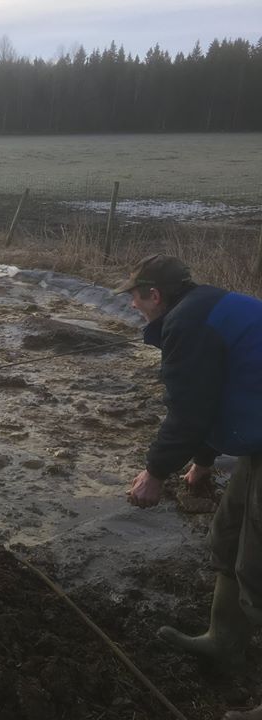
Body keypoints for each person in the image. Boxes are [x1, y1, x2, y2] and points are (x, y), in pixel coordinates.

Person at [119, 254, 262, 713]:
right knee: (230, 534)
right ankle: (224, 642)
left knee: (261, 569)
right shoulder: (205, 305)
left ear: (154, 295)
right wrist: (202, 464)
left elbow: (188, 413)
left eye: (135, 300)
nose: (135, 309)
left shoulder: (186, 325)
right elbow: (213, 395)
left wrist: (155, 474)